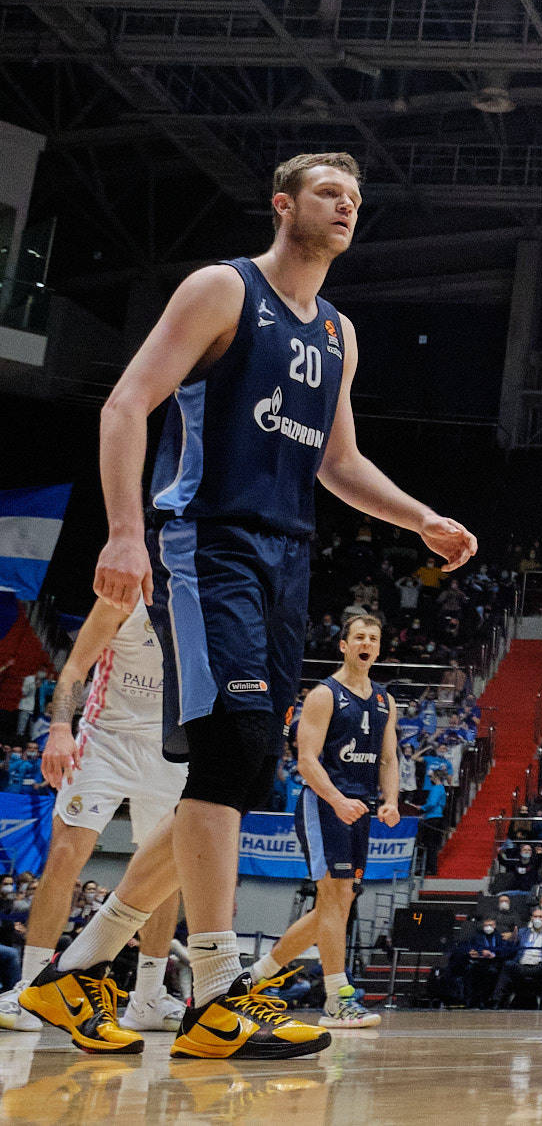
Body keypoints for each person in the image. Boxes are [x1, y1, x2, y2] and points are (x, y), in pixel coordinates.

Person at [22, 153, 476, 1060]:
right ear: (283, 206)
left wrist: (421, 516)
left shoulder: (340, 334)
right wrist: (122, 532)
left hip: (287, 553)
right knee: (230, 751)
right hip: (207, 539)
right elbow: (125, 405)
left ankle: (80, 970)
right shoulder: (222, 290)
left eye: (355, 198)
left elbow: (338, 463)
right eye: (327, 192)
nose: (346, 204)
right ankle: (219, 988)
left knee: (239, 768)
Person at [0, 593, 188, 1036]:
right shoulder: (125, 596)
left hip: (171, 748)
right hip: (105, 740)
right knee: (64, 857)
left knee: (165, 873)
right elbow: (74, 669)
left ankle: (148, 998)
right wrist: (60, 729)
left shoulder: (205, 601)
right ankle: (30, 988)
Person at [242, 611, 399, 1028]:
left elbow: (388, 758)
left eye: (373, 638)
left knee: (338, 904)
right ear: (344, 645)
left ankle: (255, 977)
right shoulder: (324, 695)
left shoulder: (385, 700)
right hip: (324, 804)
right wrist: (336, 799)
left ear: (378, 648)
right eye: (359, 637)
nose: (366, 643)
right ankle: (337, 998)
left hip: (362, 808)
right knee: (335, 900)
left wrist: (392, 800)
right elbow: (306, 760)